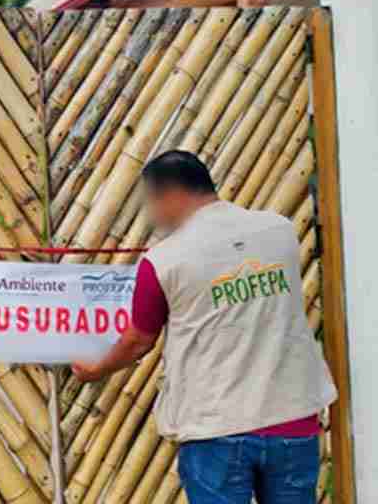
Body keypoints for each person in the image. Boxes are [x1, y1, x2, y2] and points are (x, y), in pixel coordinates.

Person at [72, 150, 335, 504]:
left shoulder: (164, 261)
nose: (153, 215)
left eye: (152, 202)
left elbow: (139, 340)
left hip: (216, 429)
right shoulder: (281, 231)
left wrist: (96, 369)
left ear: (169, 195)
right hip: (292, 418)